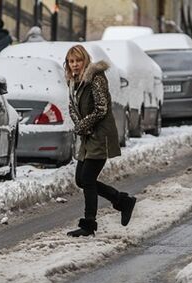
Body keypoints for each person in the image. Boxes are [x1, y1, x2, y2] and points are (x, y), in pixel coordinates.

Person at [65, 44, 136, 237]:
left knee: (87, 179)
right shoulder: (74, 82)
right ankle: (122, 201)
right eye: (71, 61)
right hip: (88, 136)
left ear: (85, 60)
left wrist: (82, 125)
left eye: (78, 60)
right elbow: (72, 107)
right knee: (81, 179)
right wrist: (79, 123)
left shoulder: (95, 78)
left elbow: (101, 108)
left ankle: (89, 225)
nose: (75, 65)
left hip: (100, 135)